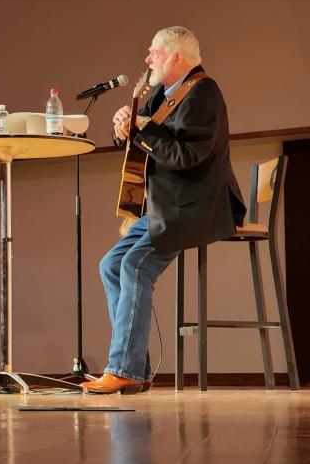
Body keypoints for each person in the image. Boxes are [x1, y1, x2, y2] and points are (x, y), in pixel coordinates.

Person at [82, 26, 246, 394]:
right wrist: (126, 126)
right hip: (163, 206)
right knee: (109, 264)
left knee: (133, 265)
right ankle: (134, 368)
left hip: (194, 205)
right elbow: (144, 144)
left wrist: (141, 127)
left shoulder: (204, 92)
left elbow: (187, 155)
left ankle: (122, 367)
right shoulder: (161, 94)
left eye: (153, 51)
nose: (147, 58)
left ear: (177, 57)